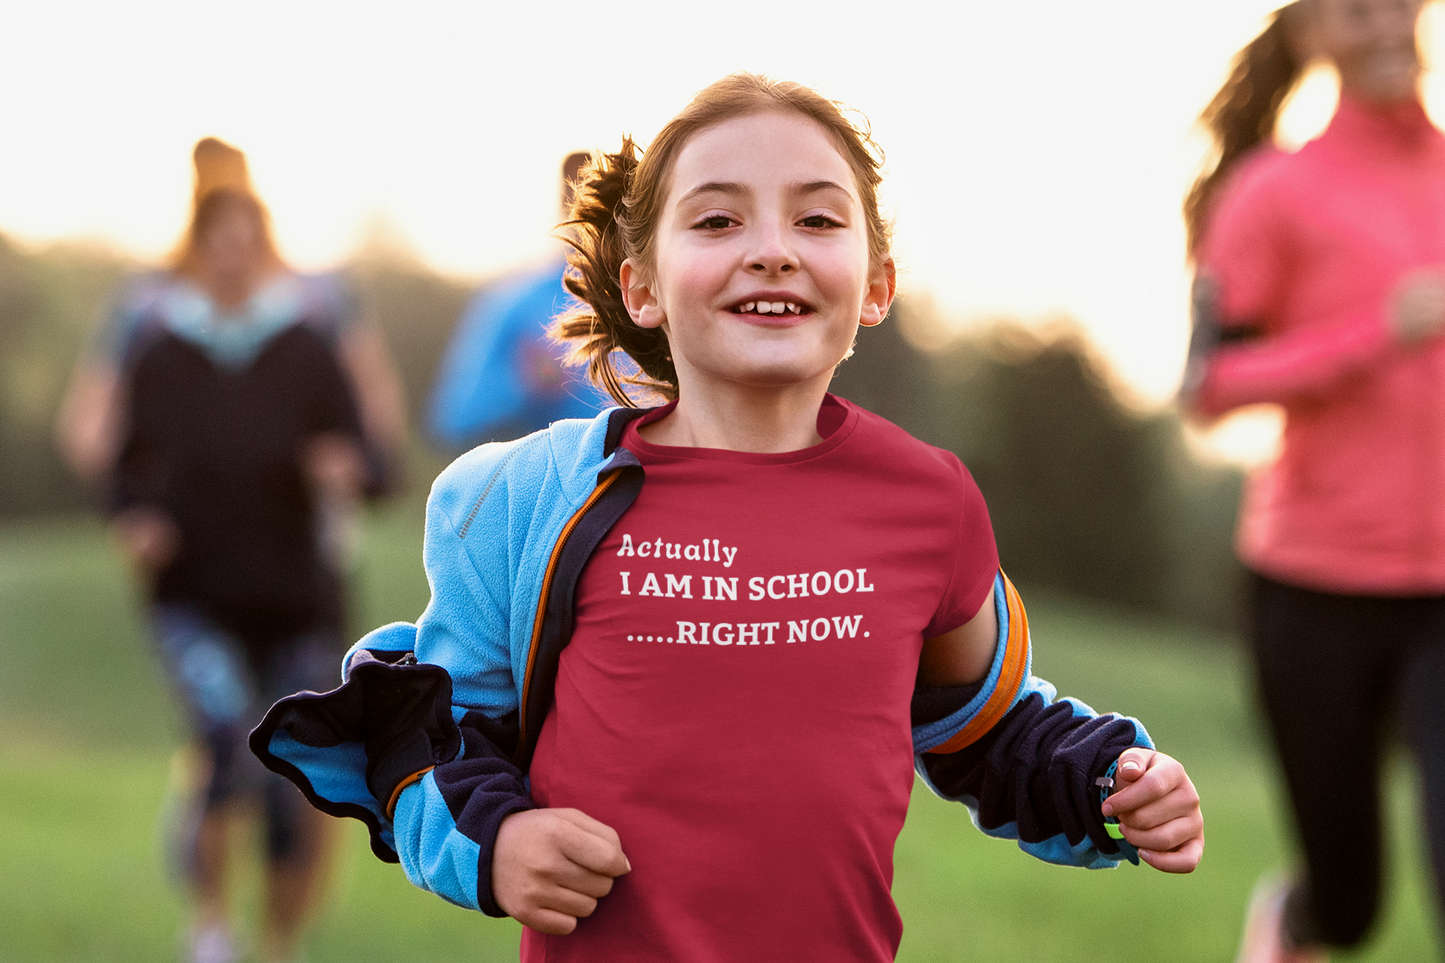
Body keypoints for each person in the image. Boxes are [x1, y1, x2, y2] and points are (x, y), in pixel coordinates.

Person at [253, 74, 1204, 961]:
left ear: (874, 283)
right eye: (716, 218)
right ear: (642, 286)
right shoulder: (532, 500)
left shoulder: (930, 502)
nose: (772, 246)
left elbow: (981, 729)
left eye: (817, 217)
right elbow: (433, 728)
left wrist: (1104, 780)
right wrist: (498, 840)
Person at [1182, 2, 1445, 961]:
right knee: (1348, 904)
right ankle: (1291, 926)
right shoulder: (1273, 192)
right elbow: (1206, 384)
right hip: (1314, 588)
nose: (1383, 25)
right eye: (1352, 10)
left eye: (1396, 3)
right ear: (1312, 36)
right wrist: (1379, 331)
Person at [105, 138, 384, 963]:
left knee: (293, 772)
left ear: (264, 247)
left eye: (244, 240)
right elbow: (125, 464)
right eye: (213, 241)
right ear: (194, 251)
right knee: (227, 741)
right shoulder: (160, 348)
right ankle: (211, 928)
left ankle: (278, 944)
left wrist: (346, 467)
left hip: (299, 590)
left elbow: (371, 460)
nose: (229, 257)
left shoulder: (304, 342)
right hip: (195, 591)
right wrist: (138, 517)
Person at [56, 138, 407, 493]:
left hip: (294, 511)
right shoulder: (151, 306)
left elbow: (374, 414)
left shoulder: (317, 300)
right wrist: (139, 489)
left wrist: (356, 465)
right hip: (189, 515)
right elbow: (88, 433)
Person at [426, 152, 612, 448]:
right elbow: (451, 421)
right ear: (567, 203)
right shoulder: (511, 304)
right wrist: (524, 382)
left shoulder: (660, 304)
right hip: (559, 486)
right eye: (585, 198)